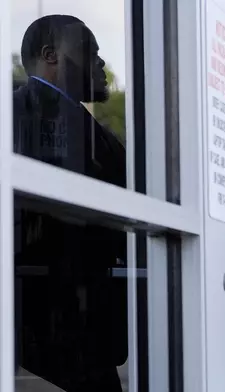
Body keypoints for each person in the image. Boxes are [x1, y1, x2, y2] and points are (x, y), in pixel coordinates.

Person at [13, 15, 127, 391]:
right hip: (43, 332)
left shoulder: (99, 136)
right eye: (89, 51)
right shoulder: (14, 118)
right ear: (50, 56)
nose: (100, 63)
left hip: (85, 332)